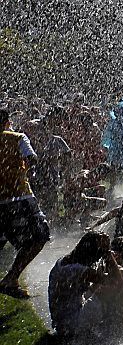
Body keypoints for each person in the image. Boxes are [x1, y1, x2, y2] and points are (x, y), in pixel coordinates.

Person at [0, 108, 51, 298]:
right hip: (19, 196)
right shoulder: (18, 137)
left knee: (13, 240)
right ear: (7, 122)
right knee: (40, 235)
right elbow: (32, 158)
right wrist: (20, 172)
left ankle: (11, 281)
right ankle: (11, 278)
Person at [47, 231, 111, 338]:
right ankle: (113, 327)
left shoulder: (64, 261)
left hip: (61, 321)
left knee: (95, 289)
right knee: (108, 290)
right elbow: (112, 280)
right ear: (93, 251)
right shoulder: (79, 270)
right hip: (71, 323)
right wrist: (108, 254)